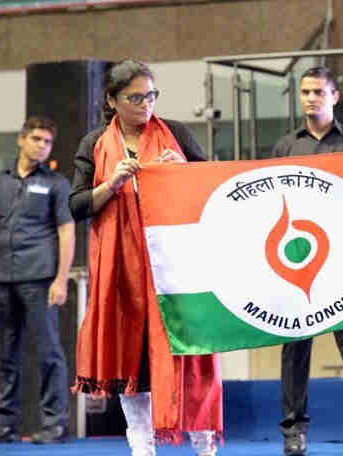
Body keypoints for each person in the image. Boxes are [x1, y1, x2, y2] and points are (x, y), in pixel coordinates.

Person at [70, 60, 222, 456]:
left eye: (151, 96)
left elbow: (214, 192)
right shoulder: (94, 144)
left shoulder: (178, 135)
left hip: (176, 269)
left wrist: (184, 173)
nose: (145, 105)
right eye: (135, 98)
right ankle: (141, 444)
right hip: (123, 272)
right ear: (112, 100)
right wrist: (112, 183)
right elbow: (77, 204)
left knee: (191, 354)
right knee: (131, 358)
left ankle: (204, 444)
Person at [272, 66, 343, 456]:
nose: (310, 98)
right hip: (296, 262)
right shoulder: (285, 147)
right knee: (294, 350)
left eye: (319, 92)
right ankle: (293, 432)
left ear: (335, 97)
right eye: (305, 92)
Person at [0, 116, 75, 444]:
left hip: (40, 278)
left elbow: (66, 230)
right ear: (21, 140)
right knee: (6, 352)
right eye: (36, 139)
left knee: (49, 352)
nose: (41, 146)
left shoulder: (57, 184)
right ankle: (5, 424)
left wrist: (61, 279)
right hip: (0, 277)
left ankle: (55, 423)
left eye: (47, 142)